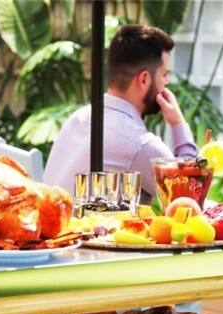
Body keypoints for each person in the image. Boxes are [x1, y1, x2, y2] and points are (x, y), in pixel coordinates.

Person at [43, 24, 197, 199]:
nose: (166, 82)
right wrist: (178, 123)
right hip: (92, 219)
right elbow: (190, 197)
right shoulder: (139, 145)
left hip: (55, 216)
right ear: (144, 79)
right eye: (164, 75)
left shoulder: (79, 118)